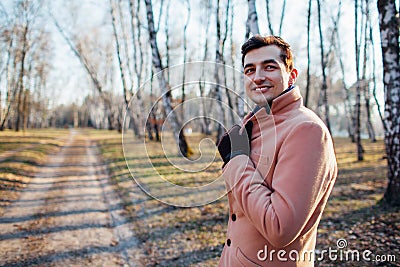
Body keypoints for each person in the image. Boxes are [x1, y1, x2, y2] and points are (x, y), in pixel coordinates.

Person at [217, 35, 338, 266]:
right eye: (249, 70)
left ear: (291, 75)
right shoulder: (255, 124)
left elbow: (279, 228)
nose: (258, 77)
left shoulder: (306, 130)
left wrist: (236, 161)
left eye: (269, 67)